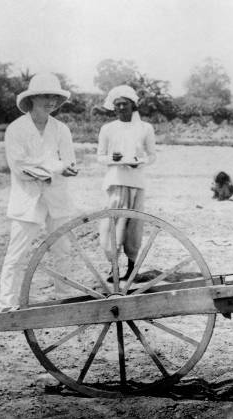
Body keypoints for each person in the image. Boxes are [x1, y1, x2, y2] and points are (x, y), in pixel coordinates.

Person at [0, 73, 78, 312]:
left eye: (55, 97)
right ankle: (7, 304)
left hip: (57, 197)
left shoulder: (61, 129)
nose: (51, 101)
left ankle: (64, 298)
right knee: (17, 253)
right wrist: (55, 167)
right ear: (32, 98)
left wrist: (60, 168)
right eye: (45, 96)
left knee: (62, 249)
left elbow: (69, 161)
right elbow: (20, 168)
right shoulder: (16, 129)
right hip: (28, 199)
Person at [97, 85, 157, 282]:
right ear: (113, 108)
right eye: (117, 105)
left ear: (133, 106)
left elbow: (152, 155)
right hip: (115, 181)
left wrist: (138, 162)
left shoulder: (145, 128)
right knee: (112, 225)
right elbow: (100, 156)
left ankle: (132, 268)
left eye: (125, 104)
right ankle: (113, 267)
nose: (121, 108)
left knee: (134, 227)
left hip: (137, 182)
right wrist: (112, 159)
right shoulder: (108, 129)